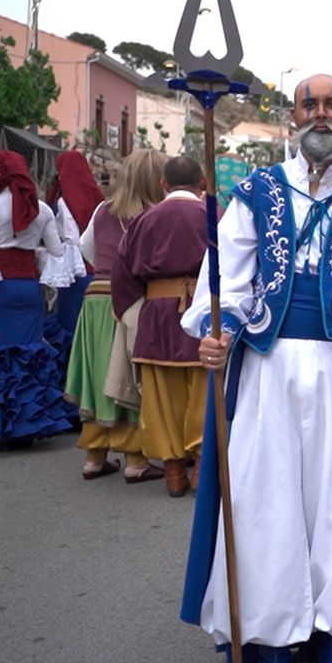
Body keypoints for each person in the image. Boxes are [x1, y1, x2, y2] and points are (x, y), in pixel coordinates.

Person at [181, 73, 332, 663]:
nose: (319, 113)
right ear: (293, 115)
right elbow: (225, 278)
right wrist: (216, 331)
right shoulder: (257, 190)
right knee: (266, 503)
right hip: (268, 366)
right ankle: (274, 642)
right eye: (308, 103)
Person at [111, 155, 209, 498]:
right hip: (203, 313)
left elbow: (122, 274)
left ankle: (173, 471)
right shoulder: (214, 215)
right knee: (204, 390)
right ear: (202, 184)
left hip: (156, 316)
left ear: (164, 185)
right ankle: (201, 466)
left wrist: (129, 313)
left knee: (161, 395)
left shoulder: (143, 220)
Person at [66, 151, 161, 481]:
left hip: (95, 296)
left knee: (97, 375)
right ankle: (135, 460)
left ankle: (94, 456)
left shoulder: (102, 209)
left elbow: (86, 248)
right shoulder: (154, 213)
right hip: (130, 297)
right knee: (127, 375)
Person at [0, 151, 72, 447]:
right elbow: (57, 251)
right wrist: (30, 250)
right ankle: (25, 428)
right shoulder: (40, 208)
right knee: (28, 353)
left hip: (1, 285)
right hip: (30, 288)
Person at [42, 151, 100, 415]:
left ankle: (70, 398)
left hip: (71, 275)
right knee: (91, 339)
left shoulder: (60, 201)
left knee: (68, 331)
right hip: (96, 273)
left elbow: (57, 242)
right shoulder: (96, 197)